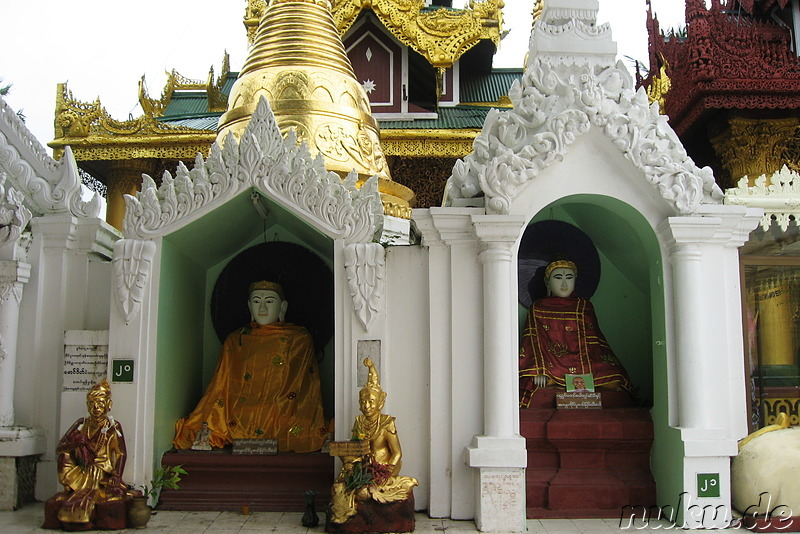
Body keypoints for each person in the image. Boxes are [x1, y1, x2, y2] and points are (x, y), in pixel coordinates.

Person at [173, 281, 327, 453]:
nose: (262, 308)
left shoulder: (299, 338)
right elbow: (221, 383)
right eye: (256, 301)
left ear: (283, 307)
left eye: (269, 301)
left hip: (282, 409)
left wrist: (275, 404)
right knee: (218, 420)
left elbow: (303, 386)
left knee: (291, 420)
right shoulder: (235, 339)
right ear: (248, 306)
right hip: (239, 411)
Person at [518, 260, 632, 407]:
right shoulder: (538, 308)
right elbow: (532, 343)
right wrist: (539, 371)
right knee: (534, 377)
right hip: (552, 365)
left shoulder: (584, 306)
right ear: (547, 283)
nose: (564, 284)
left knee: (616, 375)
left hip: (584, 362)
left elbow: (594, 342)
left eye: (569, 278)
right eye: (558, 278)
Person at [329, 358, 417, 524]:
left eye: (371, 402)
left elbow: (397, 453)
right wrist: (349, 461)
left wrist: (386, 472)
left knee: (363, 492)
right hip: (364, 467)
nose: (367, 406)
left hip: (384, 467)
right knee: (342, 487)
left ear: (380, 403)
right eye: (363, 402)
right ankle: (342, 513)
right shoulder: (359, 422)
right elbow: (355, 446)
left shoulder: (386, 423)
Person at [45, 378, 135, 530]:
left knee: (86, 499)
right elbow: (60, 448)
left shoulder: (113, 427)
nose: (96, 408)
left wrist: (116, 476)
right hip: (81, 469)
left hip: (100, 473)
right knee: (64, 455)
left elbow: (120, 453)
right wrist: (76, 443)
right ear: (87, 405)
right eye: (92, 403)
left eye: (100, 403)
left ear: (109, 405)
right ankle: (70, 489)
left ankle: (81, 511)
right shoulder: (82, 424)